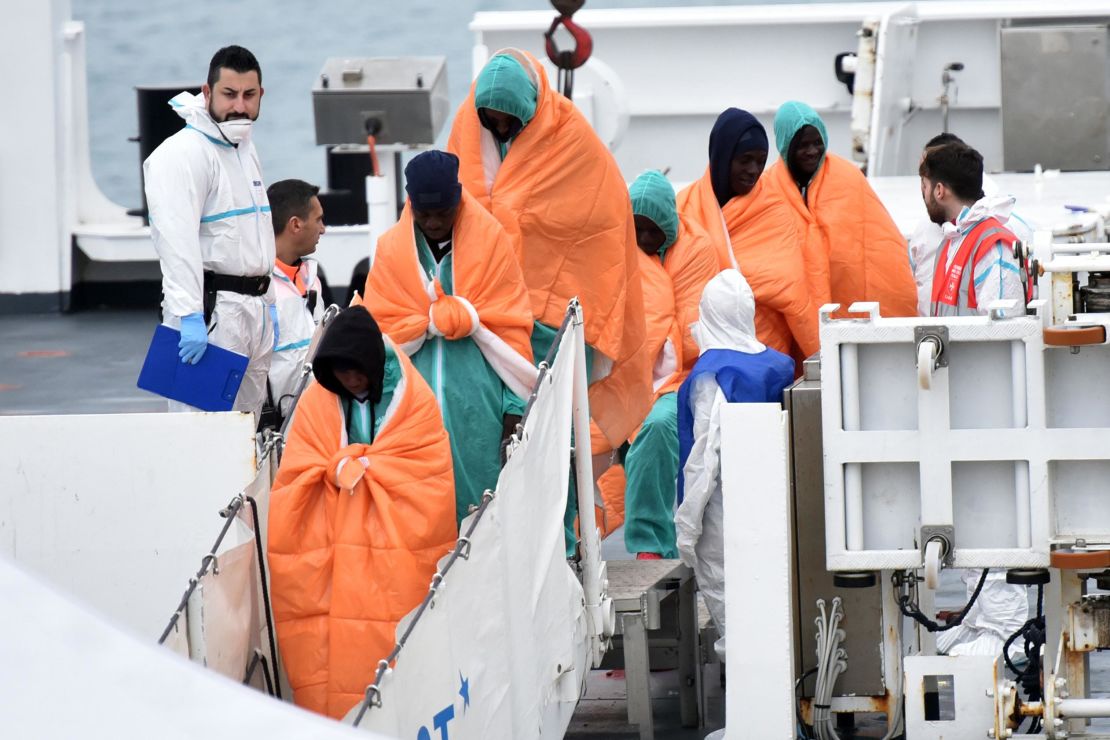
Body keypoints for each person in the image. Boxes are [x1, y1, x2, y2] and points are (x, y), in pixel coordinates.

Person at [447, 48, 651, 453]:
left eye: (511, 120)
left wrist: (519, 218)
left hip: (551, 322)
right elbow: (454, 205)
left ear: (531, 111)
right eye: (493, 119)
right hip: (484, 307)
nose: (501, 128)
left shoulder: (571, 138)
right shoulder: (467, 129)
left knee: (552, 434)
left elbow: (602, 217)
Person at [267, 305, 456, 719]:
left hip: (395, 545)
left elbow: (425, 473)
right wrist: (340, 469)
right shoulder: (321, 399)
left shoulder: (415, 402)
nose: (349, 380)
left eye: (356, 371)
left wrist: (355, 467)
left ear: (373, 362)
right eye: (339, 374)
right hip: (334, 546)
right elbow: (300, 466)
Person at [364, 150, 535, 526]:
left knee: (486, 510)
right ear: (411, 204)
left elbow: (511, 331)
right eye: (424, 213)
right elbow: (380, 335)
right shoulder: (391, 251)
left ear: (459, 198)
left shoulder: (493, 242)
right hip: (409, 407)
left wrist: (514, 408)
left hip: (481, 407)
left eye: (443, 211)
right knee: (416, 512)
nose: (434, 221)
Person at [144, 45, 277, 416]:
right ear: (207, 92)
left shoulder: (243, 147)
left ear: (261, 95)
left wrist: (270, 304)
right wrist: (188, 316)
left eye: (249, 95)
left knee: (249, 434)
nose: (240, 106)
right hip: (212, 314)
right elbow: (175, 241)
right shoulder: (183, 154)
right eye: (229, 94)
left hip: (254, 312)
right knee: (202, 435)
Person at [674, 269, 795, 659]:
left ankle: (751, 716)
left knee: (735, 620)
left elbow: (705, 460)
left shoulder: (713, 374)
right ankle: (784, 708)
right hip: (776, 507)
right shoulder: (778, 365)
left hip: (725, 514)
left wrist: (688, 527)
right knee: (777, 610)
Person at [602, 170, 720, 559]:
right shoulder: (613, 250)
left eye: (653, 232)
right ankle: (572, 545)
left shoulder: (697, 250)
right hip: (624, 373)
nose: (644, 241)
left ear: (670, 226)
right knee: (579, 438)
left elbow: (691, 332)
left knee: (656, 427)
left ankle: (650, 545)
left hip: (684, 376)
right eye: (635, 230)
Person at [677, 108, 819, 365]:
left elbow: (792, 291)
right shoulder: (684, 207)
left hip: (764, 353)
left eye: (761, 160)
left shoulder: (772, 207)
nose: (754, 170)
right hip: (698, 355)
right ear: (722, 156)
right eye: (745, 160)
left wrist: (820, 358)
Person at [767, 100, 918, 320]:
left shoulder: (847, 177)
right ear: (785, 145)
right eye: (802, 145)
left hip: (852, 299)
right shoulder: (769, 189)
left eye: (817, 143)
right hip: (800, 304)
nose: (812, 151)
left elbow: (880, 244)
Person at [909, 133, 1034, 315]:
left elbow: (1002, 329)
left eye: (925, 185)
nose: (923, 193)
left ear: (939, 191)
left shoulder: (993, 247)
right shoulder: (951, 240)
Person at [265, 179, 326, 422]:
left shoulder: (312, 280)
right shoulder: (256, 289)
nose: (323, 229)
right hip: (271, 427)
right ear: (296, 224)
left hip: (313, 419)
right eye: (319, 219)